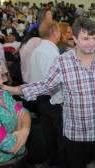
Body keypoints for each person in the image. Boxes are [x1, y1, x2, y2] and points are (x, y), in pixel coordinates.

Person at [2, 17, 95, 168]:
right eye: (85, 38)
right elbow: (44, 86)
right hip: (76, 132)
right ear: (74, 38)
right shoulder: (63, 62)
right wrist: (12, 89)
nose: (91, 43)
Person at [30, 20, 67, 168]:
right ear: (54, 32)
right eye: (59, 31)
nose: (60, 34)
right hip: (53, 100)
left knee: (49, 134)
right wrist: (62, 102)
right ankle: (63, 163)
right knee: (61, 137)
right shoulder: (51, 51)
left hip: (41, 99)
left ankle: (54, 161)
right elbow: (53, 82)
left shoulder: (37, 49)